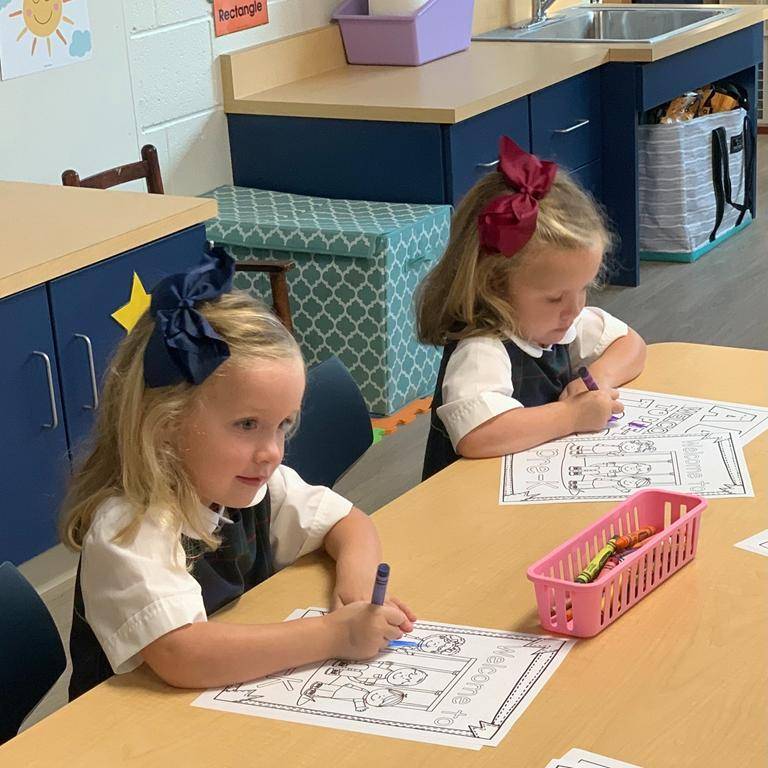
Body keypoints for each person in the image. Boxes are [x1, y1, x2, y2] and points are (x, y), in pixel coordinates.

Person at [61, 248, 415, 698]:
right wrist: (335, 634)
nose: (271, 452)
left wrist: (356, 588)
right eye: (247, 425)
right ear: (167, 424)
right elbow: (183, 654)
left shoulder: (252, 482)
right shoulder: (130, 527)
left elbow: (349, 523)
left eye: (282, 425)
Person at [417, 137, 646, 479]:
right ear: (495, 284)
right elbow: (479, 436)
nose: (574, 309)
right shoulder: (482, 349)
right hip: (470, 512)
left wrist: (596, 380)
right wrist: (571, 415)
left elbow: (632, 345)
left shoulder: (557, 321)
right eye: (555, 297)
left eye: (582, 289)